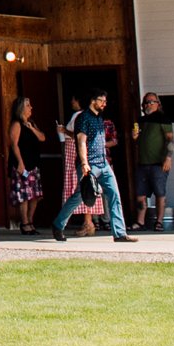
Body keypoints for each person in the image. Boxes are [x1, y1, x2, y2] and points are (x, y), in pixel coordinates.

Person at [50, 89, 134, 243]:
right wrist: (84, 163)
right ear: (93, 101)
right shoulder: (83, 118)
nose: (104, 104)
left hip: (103, 163)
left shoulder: (99, 118)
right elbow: (81, 141)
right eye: (102, 101)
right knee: (79, 196)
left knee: (114, 194)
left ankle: (120, 233)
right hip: (90, 164)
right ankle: (58, 224)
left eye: (105, 101)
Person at [132, 92, 174, 231]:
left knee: (160, 193)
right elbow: (140, 141)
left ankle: (159, 221)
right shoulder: (140, 120)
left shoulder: (163, 119)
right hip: (143, 162)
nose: (148, 104)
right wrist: (135, 137)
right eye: (146, 102)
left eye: (152, 102)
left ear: (158, 104)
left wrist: (168, 157)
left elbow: (171, 140)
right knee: (140, 194)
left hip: (158, 163)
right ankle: (140, 222)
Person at [6, 96, 46, 235]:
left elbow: (42, 138)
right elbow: (14, 145)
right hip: (23, 165)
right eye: (28, 105)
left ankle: (30, 221)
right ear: (21, 108)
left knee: (34, 195)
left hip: (34, 163)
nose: (31, 108)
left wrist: (32, 128)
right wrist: (20, 163)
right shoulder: (16, 124)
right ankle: (24, 223)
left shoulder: (31, 123)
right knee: (24, 195)